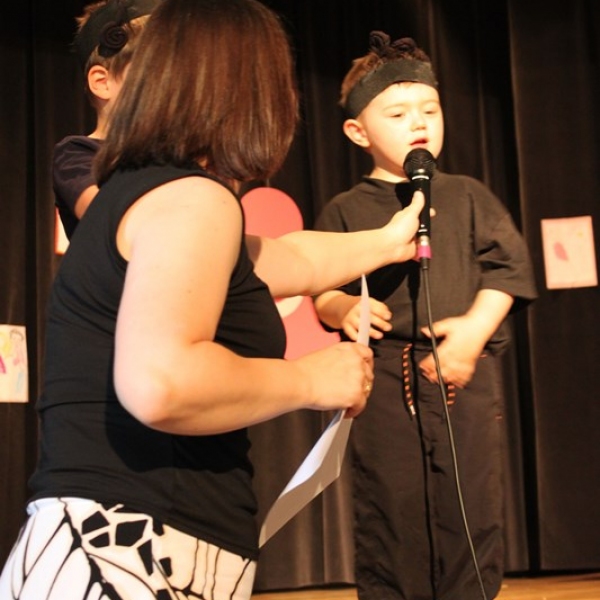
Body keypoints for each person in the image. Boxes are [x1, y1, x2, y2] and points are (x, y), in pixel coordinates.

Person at [0, 5, 426, 600]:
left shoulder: (158, 193)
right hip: (130, 548)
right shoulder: (188, 199)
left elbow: (289, 259)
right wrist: (311, 380)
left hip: (124, 541)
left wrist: (391, 240)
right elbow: (162, 384)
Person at [313, 32, 537, 600]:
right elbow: (321, 288)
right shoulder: (345, 209)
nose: (419, 123)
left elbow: (509, 269)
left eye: (430, 110)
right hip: (384, 376)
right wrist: (344, 307)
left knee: (472, 503)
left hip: (461, 371)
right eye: (397, 114)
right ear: (358, 132)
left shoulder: (467, 195)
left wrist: (473, 333)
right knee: (391, 503)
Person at [53, 0, 160, 239]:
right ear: (102, 83)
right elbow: (106, 216)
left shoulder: (179, 155)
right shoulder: (77, 154)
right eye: (157, 72)